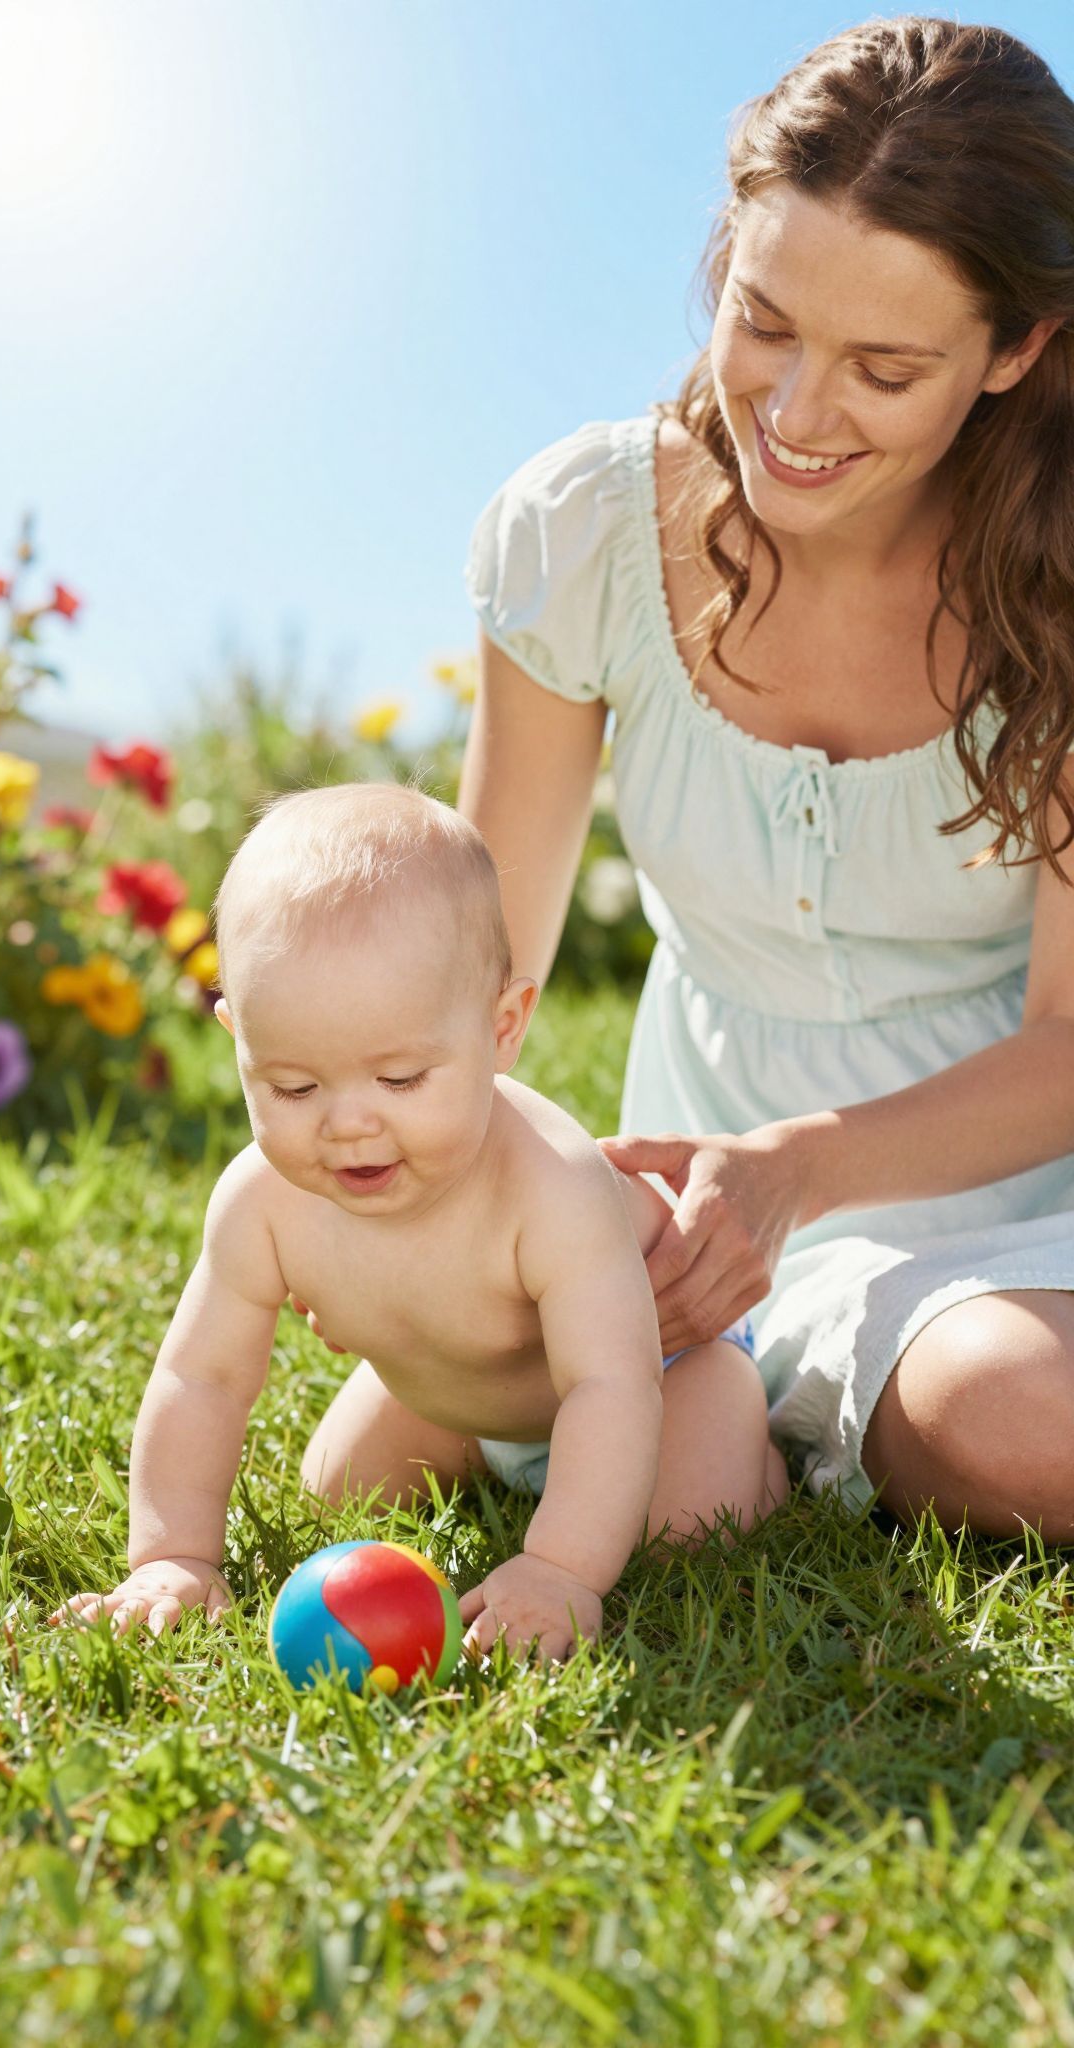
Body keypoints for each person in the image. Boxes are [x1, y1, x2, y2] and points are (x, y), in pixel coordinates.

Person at [458, 17, 1074, 1543]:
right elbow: (485, 972)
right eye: (764, 320)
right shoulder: (586, 532)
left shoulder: (1060, 584)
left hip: (1024, 1210)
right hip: (702, 1233)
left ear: (1015, 351)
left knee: (1007, 1416)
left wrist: (808, 1169)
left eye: (883, 367)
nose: (794, 414)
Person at [48, 784, 785, 1662]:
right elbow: (200, 1378)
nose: (349, 1123)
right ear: (237, 1036)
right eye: (292, 1086)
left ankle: (774, 1452)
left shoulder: (553, 1184)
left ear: (502, 1027)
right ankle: (494, 1453)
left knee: (687, 1529)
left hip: (663, 1368)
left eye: (400, 1080)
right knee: (336, 1493)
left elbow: (607, 1386)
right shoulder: (263, 1199)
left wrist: (558, 1568)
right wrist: (171, 1556)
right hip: (464, 1391)